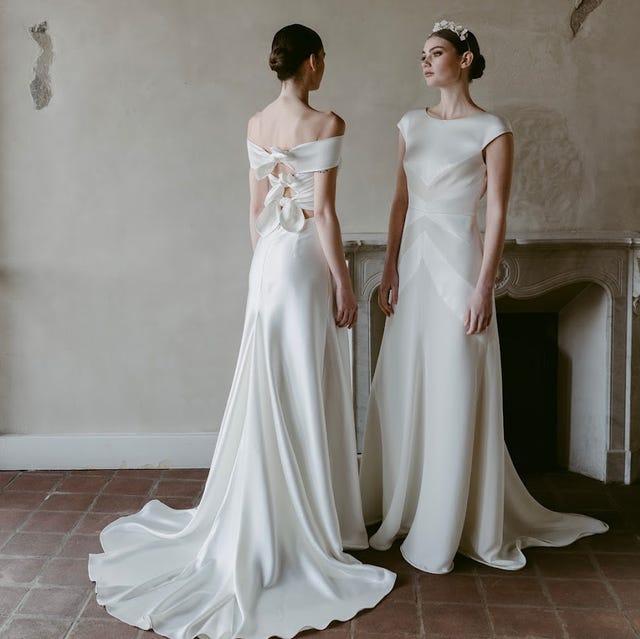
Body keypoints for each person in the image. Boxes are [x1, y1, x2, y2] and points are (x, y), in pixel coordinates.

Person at [89, 23, 395, 639]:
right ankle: (314, 522)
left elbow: (255, 216)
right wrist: (341, 281)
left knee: (269, 382)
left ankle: (273, 511)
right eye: (323, 59)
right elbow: (327, 214)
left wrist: (266, 265)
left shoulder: (255, 124)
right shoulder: (328, 123)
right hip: (305, 261)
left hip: (269, 265)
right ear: (312, 64)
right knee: (303, 378)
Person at [359, 19, 608, 574]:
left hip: (460, 266)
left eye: (437, 53)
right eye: (422, 55)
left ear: (465, 59)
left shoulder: (492, 129)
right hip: (416, 266)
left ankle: (451, 519)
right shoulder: (409, 124)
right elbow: (399, 202)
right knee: (408, 379)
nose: (425, 62)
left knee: (455, 380)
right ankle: (405, 500)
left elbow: (497, 211)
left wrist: (484, 284)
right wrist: (392, 266)